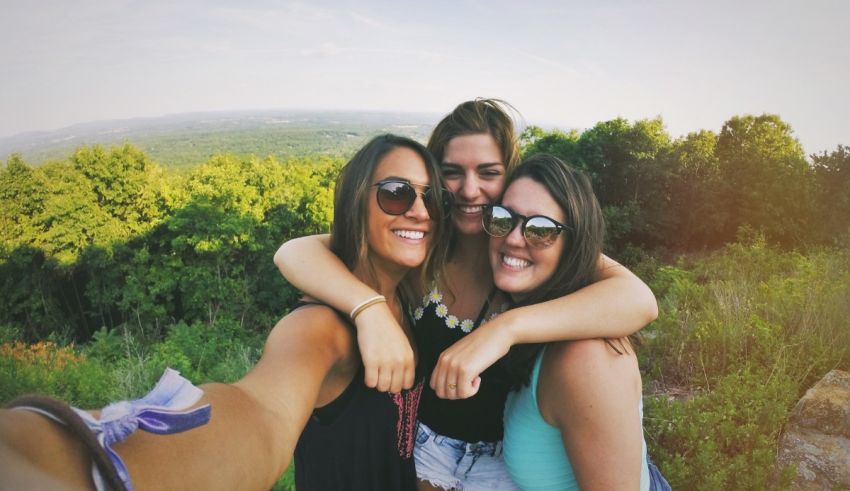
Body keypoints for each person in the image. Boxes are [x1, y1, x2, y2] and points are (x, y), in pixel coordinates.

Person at [0, 134, 452, 490]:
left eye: (432, 198)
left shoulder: (404, 301)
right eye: (396, 193)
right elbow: (259, 410)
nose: (418, 211)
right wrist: (61, 458)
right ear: (356, 200)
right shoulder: (322, 326)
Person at [274, 99, 659, 490]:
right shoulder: (422, 243)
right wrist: (369, 310)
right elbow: (295, 252)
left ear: (510, 176)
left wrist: (504, 328)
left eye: (488, 173)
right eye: (452, 172)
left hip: (504, 467)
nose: (469, 190)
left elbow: (638, 299)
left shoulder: (529, 246)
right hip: (421, 457)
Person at [493, 153, 670, 490]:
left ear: (573, 246)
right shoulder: (541, 316)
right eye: (503, 218)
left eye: (541, 229)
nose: (514, 238)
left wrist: (503, 329)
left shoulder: (583, 359)